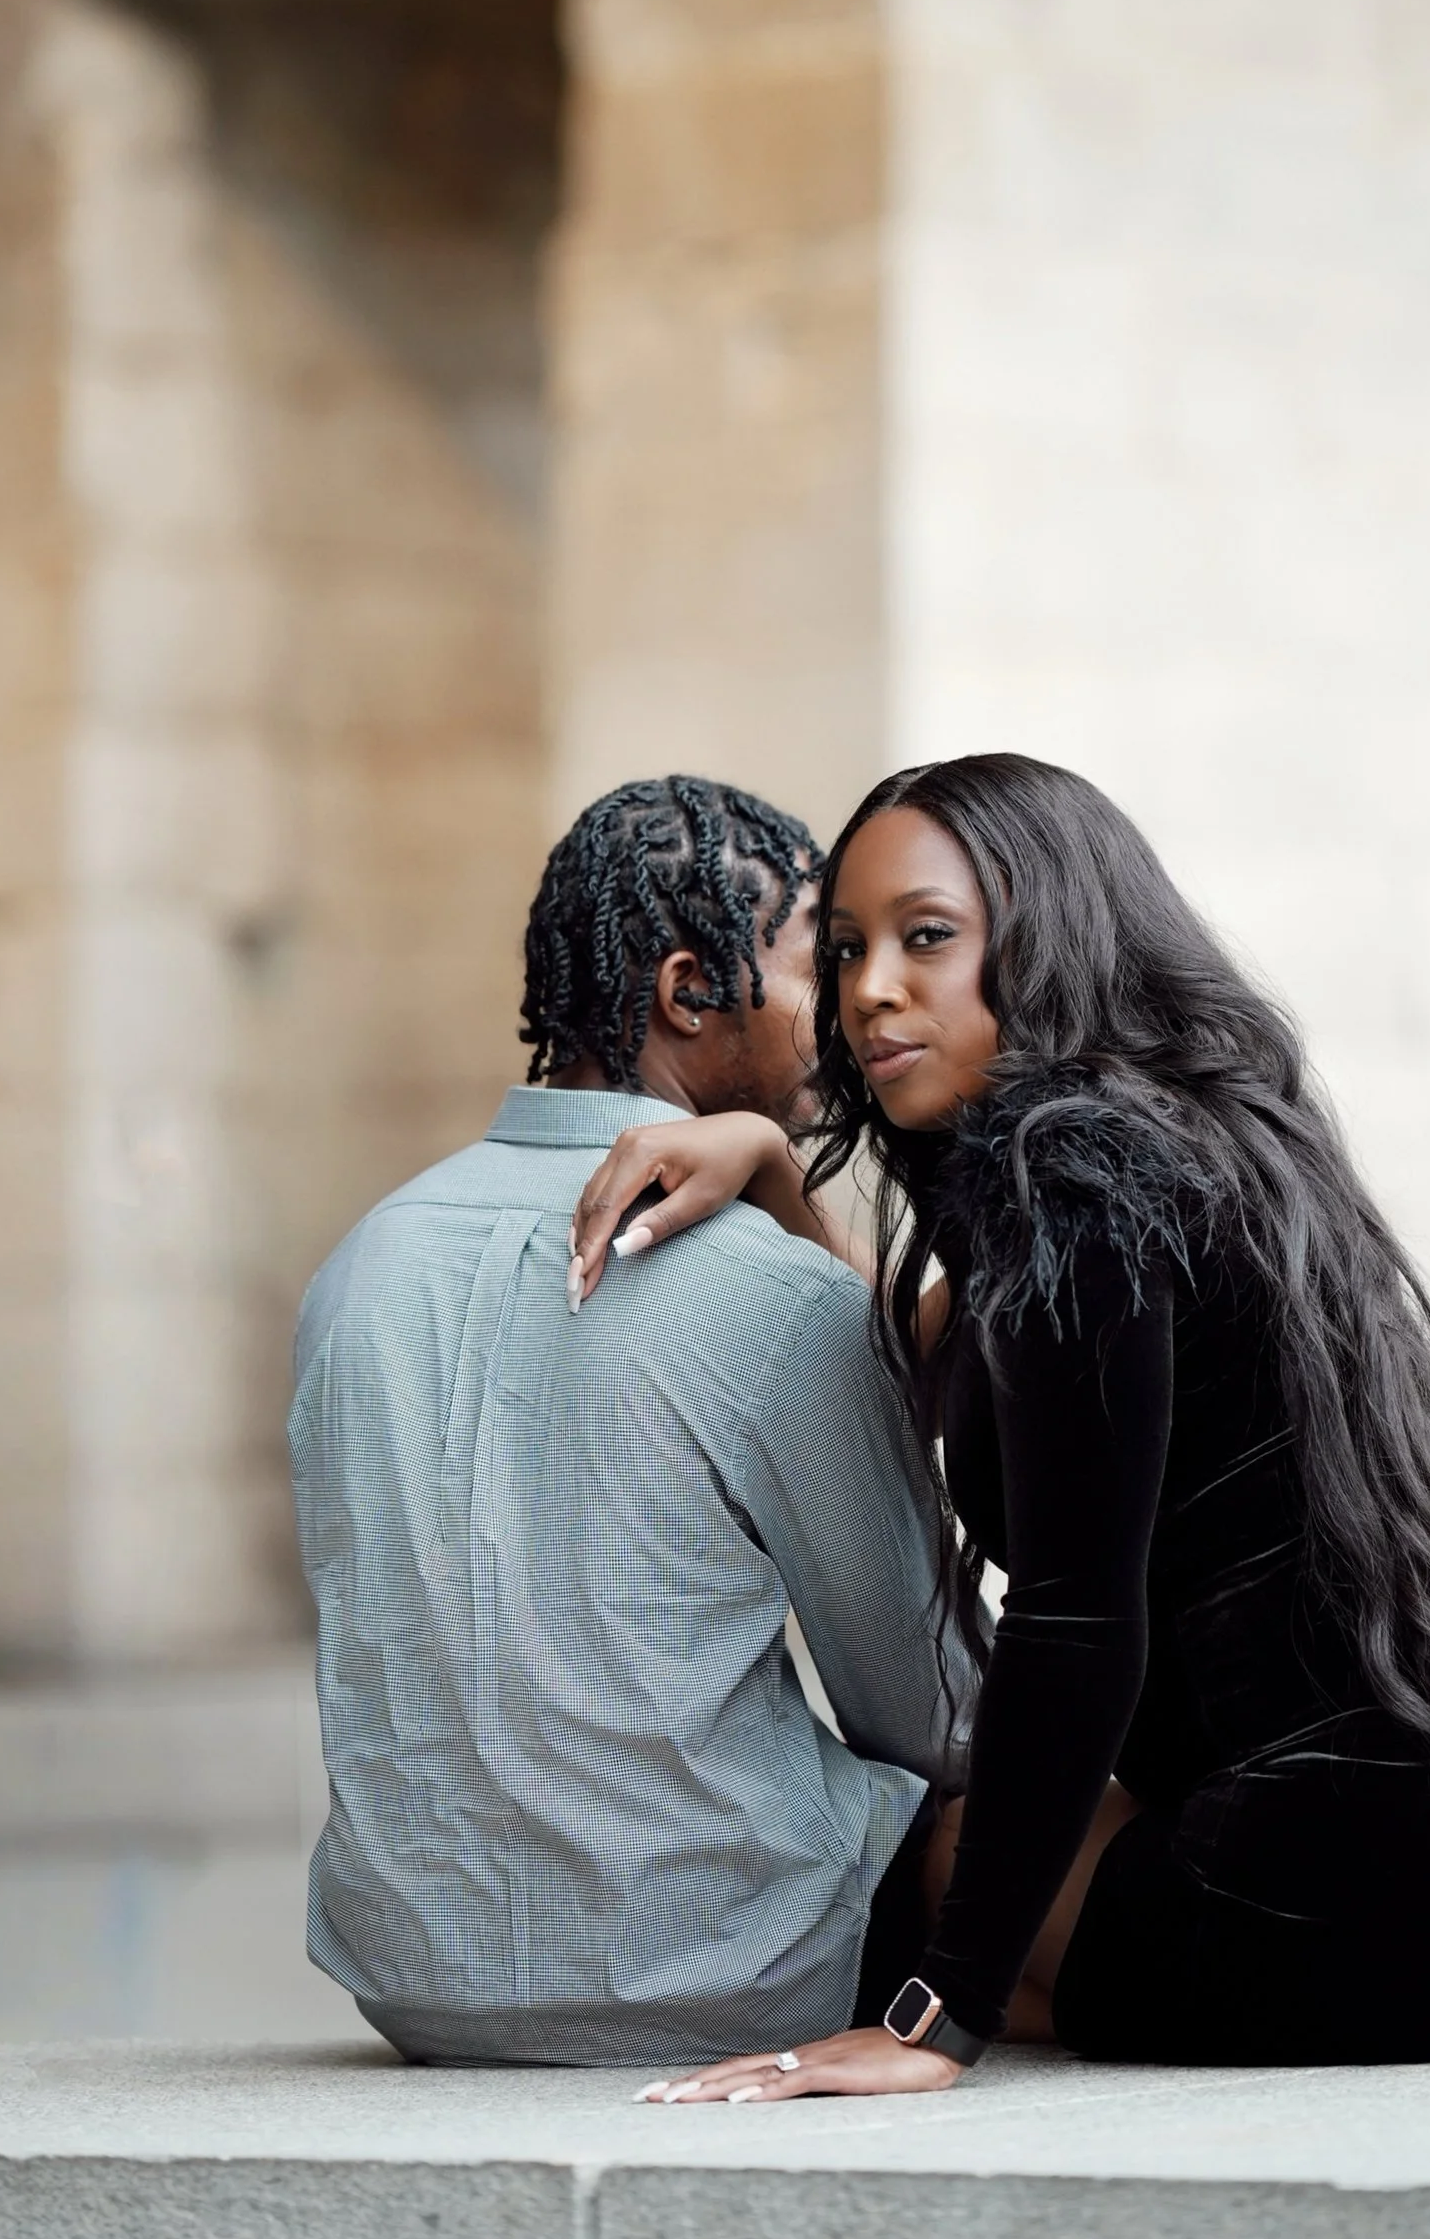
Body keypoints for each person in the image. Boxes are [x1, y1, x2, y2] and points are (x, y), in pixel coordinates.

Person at [567, 752, 1430, 2098]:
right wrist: (771, 1163)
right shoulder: (1188, 1130)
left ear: (1047, 932)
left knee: (932, 1863)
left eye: (929, 938)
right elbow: (932, 1350)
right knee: (1024, 1861)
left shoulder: (1068, 1184)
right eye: (853, 946)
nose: (873, 990)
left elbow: (1074, 1622)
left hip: (1424, 1885)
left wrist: (938, 2018)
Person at [288, 773, 966, 2066]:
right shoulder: (771, 1298)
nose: (843, 1007)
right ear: (688, 992)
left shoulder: (355, 1268)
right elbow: (934, 1714)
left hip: (411, 1982)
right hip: (732, 1971)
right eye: (811, 962)